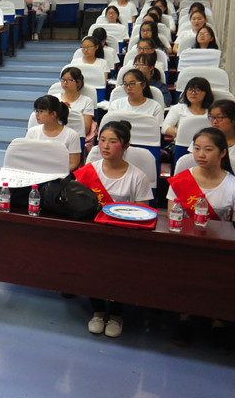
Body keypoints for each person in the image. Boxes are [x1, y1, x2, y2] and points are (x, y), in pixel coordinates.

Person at [73, 120, 152, 338]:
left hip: (123, 239)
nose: (105, 146)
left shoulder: (137, 177)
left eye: (113, 141)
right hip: (93, 235)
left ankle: (117, 314)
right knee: (90, 263)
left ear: (126, 145)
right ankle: (98, 310)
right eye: (102, 140)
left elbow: (142, 216)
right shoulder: (88, 172)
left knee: (120, 267)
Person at [167, 127, 235, 349]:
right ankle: (184, 318)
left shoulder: (232, 185)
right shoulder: (181, 180)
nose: (200, 154)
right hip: (185, 246)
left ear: (222, 152)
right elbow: (173, 217)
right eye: (196, 149)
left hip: (220, 250)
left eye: (208, 149)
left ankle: (219, 322)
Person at [25, 95, 81, 171]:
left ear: (53, 114)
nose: (36, 114)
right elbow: (27, 156)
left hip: (60, 174)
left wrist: (55, 173)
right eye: (36, 110)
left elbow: (73, 163)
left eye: (40, 111)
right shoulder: (32, 132)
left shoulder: (71, 135)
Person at [57, 66, 94, 138]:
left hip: (76, 137)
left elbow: (86, 129)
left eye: (69, 80)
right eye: (63, 79)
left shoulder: (87, 101)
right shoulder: (54, 98)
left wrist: (70, 112)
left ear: (78, 82)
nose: (65, 82)